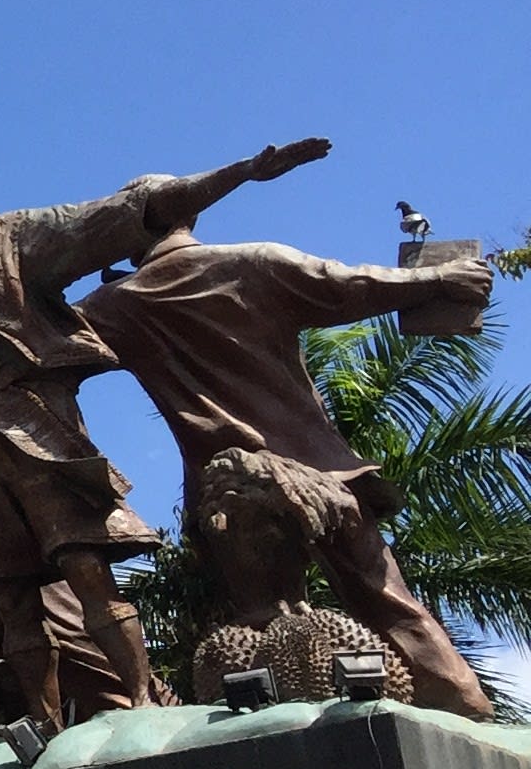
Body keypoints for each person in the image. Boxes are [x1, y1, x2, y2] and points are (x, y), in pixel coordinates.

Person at [0, 140, 326, 731]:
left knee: (86, 569)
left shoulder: (10, 239)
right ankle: (44, 727)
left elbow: (123, 213)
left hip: (32, 424)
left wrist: (241, 172)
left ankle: (141, 706)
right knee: (10, 596)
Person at [79, 210, 495, 717]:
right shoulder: (253, 262)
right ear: (188, 216)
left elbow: (35, 345)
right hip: (321, 475)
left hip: (227, 491)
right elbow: (350, 285)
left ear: (128, 238)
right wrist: (439, 276)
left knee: (259, 627)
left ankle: (275, 739)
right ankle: (469, 714)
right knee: (390, 602)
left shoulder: (114, 306)